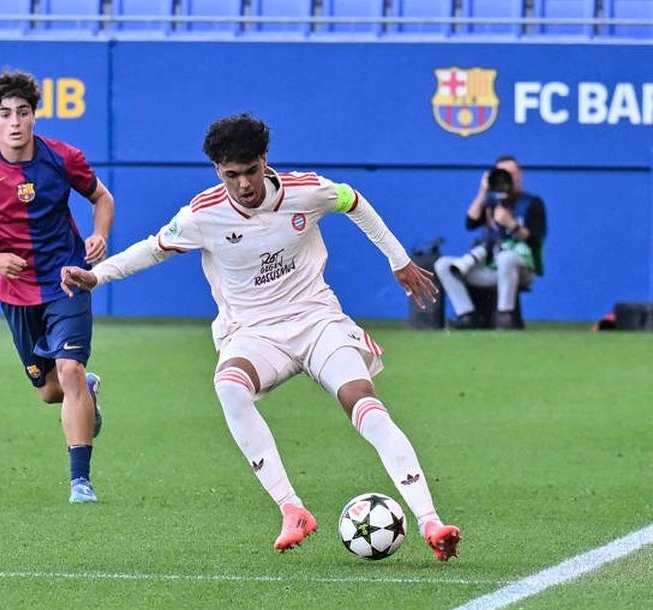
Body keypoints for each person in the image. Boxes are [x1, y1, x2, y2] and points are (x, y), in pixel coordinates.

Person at [61, 113, 462, 561]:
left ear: (265, 160)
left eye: (250, 171)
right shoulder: (202, 214)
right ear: (218, 170)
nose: (244, 184)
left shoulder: (306, 191)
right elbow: (154, 248)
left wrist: (398, 259)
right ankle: (292, 509)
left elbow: (354, 201)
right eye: (231, 174)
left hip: (316, 321)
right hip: (253, 333)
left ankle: (430, 521)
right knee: (229, 386)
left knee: (362, 400)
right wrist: (97, 276)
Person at [0, 70, 114, 504]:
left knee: (69, 370)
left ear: (34, 115)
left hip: (67, 278)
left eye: (23, 112)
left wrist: (100, 234)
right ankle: (86, 390)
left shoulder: (62, 157)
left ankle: (80, 482)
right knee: (50, 390)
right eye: (5, 114)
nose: (15, 121)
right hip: (15, 291)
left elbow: (102, 198)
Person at [434, 155, 547, 329]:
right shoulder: (491, 203)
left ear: (519, 175)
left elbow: (535, 239)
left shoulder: (532, 203)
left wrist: (511, 224)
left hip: (522, 268)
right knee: (443, 265)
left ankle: (504, 316)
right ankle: (466, 315)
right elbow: (470, 222)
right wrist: (483, 191)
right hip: (490, 266)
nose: (507, 178)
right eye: (502, 173)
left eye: (511, 173)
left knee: (506, 258)